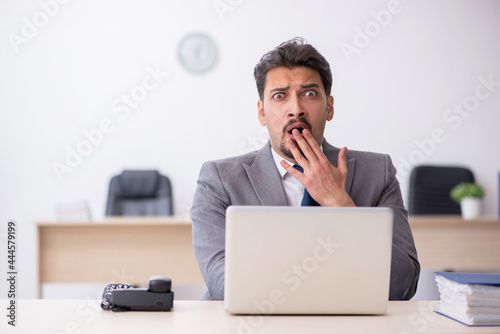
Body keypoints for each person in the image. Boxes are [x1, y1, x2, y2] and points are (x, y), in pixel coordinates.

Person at [190, 37, 420, 301]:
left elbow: (403, 285)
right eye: (279, 96)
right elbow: (225, 286)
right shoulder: (219, 180)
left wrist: (340, 204)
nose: (295, 109)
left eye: (309, 94)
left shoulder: (377, 172)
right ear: (261, 113)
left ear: (329, 107)